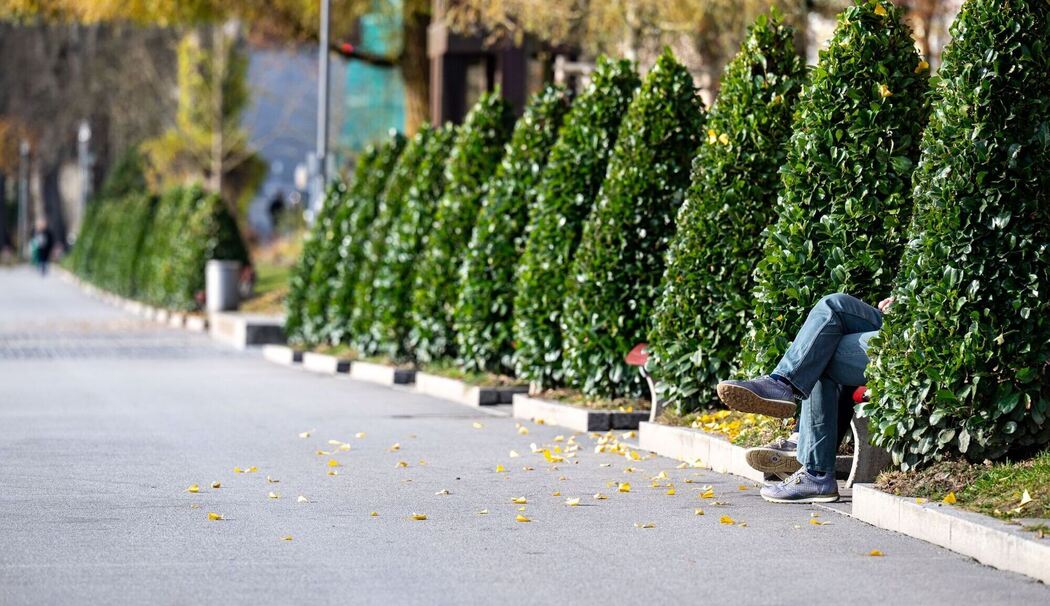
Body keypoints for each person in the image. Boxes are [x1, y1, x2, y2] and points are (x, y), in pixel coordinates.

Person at [717, 293, 894, 504]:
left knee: (821, 351)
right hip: (898, 320)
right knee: (834, 305)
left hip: (918, 330)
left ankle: (814, 468)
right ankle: (782, 386)